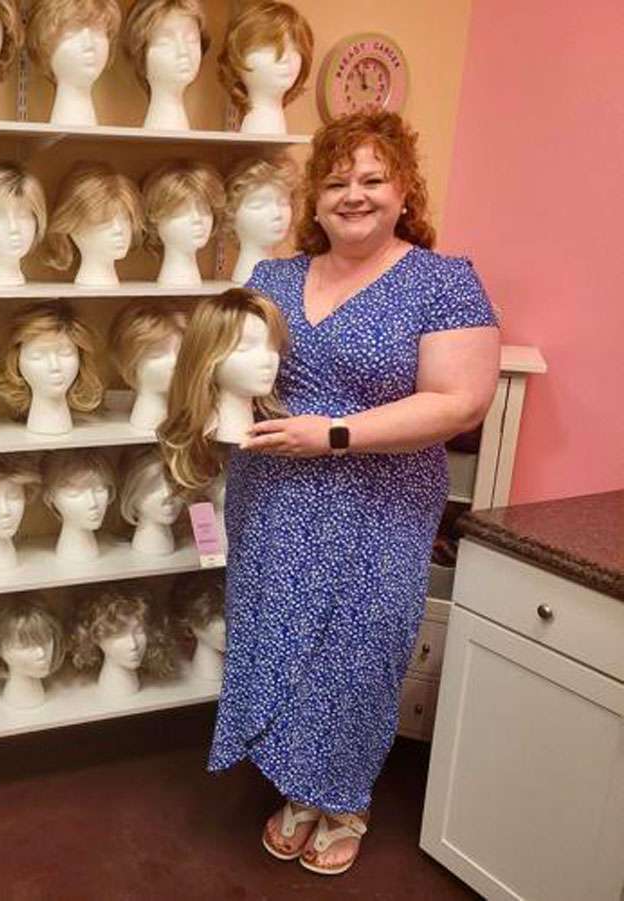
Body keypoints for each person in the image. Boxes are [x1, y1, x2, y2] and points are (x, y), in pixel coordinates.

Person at [208, 111, 500, 875]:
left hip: (381, 504)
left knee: (360, 648)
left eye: (372, 179)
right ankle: (299, 787)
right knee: (279, 638)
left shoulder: (443, 281)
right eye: (337, 181)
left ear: (405, 191)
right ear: (315, 198)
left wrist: (332, 432)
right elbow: (223, 365)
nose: (354, 194)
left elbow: (460, 400)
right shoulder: (271, 277)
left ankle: (345, 797)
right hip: (274, 500)